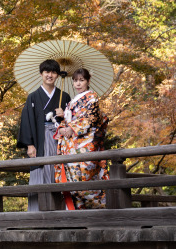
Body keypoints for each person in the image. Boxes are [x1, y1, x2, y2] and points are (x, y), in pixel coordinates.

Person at [17, 59, 71, 212]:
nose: (50, 75)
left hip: (60, 140)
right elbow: (27, 121)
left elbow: (73, 122)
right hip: (40, 140)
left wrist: (65, 115)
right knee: (40, 172)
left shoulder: (64, 96)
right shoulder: (33, 97)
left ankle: (61, 211)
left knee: (60, 171)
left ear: (57, 75)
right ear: (41, 74)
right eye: (47, 72)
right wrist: (30, 145)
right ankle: (38, 212)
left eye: (53, 72)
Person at [53, 68, 109, 209]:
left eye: (81, 80)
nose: (78, 84)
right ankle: (77, 213)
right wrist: (62, 125)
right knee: (72, 182)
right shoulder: (73, 101)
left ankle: (97, 213)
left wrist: (71, 128)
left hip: (85, 144)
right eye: (75, 81)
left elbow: (91, 119)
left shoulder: (92, 98)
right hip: (70, 146)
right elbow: (68, 120)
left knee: (86, 179)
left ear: (88, 81)